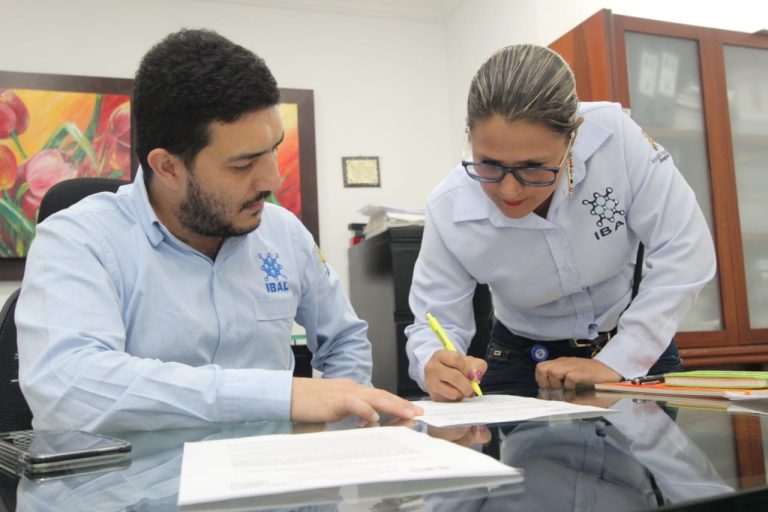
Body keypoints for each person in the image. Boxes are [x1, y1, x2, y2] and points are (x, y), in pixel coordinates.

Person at [16, 28, 421, 432]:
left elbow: (344, 340)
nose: (273, 180)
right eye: (243, 164)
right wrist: (283, 395)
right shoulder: (78, 239)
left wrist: (345, 425)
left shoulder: (283, 233)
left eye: (274, 149)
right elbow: (68, 386)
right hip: (136, 489)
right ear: (168, 167)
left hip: (274, 479)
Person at [405, 44, 716, 400]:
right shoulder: (450, 208)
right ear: (468, 134)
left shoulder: (616, 140)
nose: (509, 190)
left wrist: (620, 359)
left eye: (534, 168)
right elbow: (435, 321)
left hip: (636, 339)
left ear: (573, 137)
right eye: (488, 164)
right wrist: (433, 361)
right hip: (521, 358)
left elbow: (685, 248)